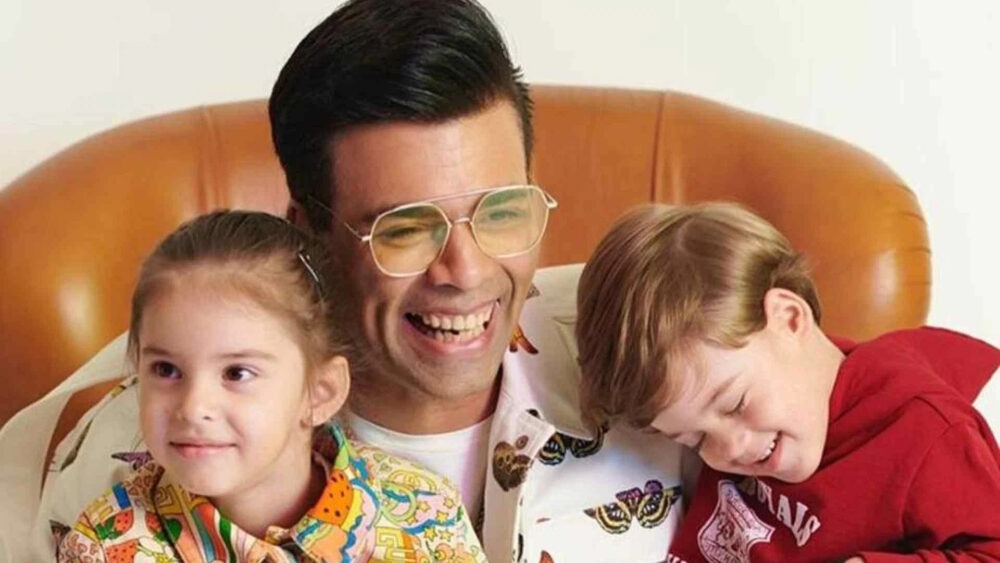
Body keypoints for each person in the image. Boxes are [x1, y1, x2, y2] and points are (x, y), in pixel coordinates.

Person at [28, 1, 690, 561]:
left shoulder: (658, 341)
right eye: (405, 229)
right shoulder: (143, 449)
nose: (466, 272)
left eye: (502, 212)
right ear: (310, 234)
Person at [576, 202, 1000, 562]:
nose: (728, 449)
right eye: (695, 439)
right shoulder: (737, 411)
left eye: (736, 404)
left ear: (789, 318)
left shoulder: (923, 434)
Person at [56, 210, 485, 562]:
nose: (193, 406)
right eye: (167, 370)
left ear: (320, 393)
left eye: (237, 373)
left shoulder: (425, 512)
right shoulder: (106, 545)